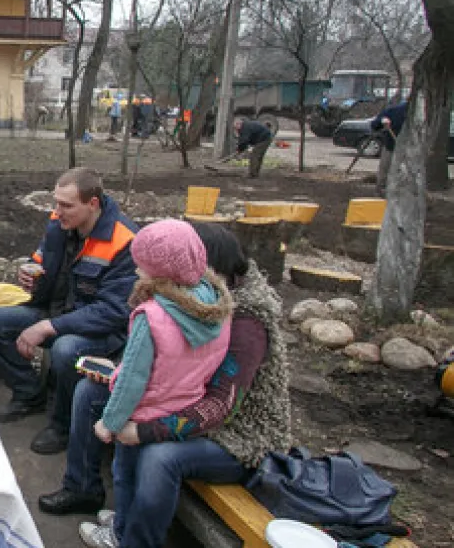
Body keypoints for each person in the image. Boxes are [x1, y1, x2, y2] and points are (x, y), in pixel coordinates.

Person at [40, 224, 290, 548]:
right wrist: (119, 375)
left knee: (158, 456)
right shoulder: (192, 297)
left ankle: (137, 541)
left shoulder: (246, 320)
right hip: (178, 399)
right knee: (90, 392)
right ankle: (83, 489)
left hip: (234, 433)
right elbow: (170, 361)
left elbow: (218, 406)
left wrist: (145, 430)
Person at [87, 220, 234, 545]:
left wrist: (110, 422)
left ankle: (120, 532)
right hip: (181, 410)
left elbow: (132, 380)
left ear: (159, 271)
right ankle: (125, 524)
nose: (137, 270)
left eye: (141, 265)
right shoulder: (216, 306)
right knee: (144, 482)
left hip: (141, 416)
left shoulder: (151, 316)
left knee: (125, 477)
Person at [0, 167, 139, 454]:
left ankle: (62, 425)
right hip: (56, 312)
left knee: (66, 350)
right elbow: (41, 259)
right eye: (56, 202)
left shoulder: (124, 241)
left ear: (92, 204)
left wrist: (48, 327)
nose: (57, 211)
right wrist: (32, 276)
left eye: (66, 205)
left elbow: (114, 311)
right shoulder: (60, 223)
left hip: (102, 330)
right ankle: (29, 395)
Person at [370, 101, 408, 195]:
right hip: (391, 149)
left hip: (409, 152)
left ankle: (403, 196)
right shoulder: (394, 111)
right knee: (384, 173)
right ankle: (380, 194)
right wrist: (382, 121)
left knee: (405, 175)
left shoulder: (423, 114)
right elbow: (374, 124)